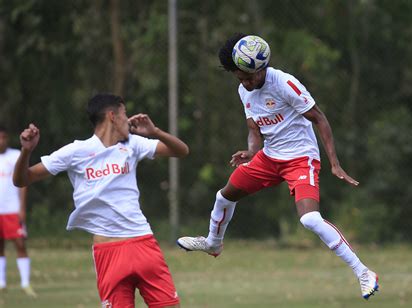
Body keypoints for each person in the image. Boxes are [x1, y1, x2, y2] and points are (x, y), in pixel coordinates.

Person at [177, 33, 379, 300]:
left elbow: (319, 118)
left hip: (300, 158)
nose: (246, 83)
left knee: (309, 219)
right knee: (223, 196)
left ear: (262, 69)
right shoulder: (243, 90)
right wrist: (251, 151)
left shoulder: (285, 84)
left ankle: (364, 272)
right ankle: (213, 243)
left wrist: (335, 163)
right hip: (270, 158)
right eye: (241, 78)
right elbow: (254, 128)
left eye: (249, 77)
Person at [13, 94, 188, 307]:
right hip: (108, 251)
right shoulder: (75, 151)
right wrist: (26, 151)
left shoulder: (133, 144)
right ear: (112, 117)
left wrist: (156, 132)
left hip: (143, 243)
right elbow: (22, 180)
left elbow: (181, 151)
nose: (129, 119)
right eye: (124, 114)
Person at [0, 126, 36, 297]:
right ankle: (1, 282)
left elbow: (22, 184)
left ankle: (25, 283)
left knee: (20, 244)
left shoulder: (15, 156)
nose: (1, 141)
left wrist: (22, 207)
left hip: (12, 209)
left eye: (4, 137)